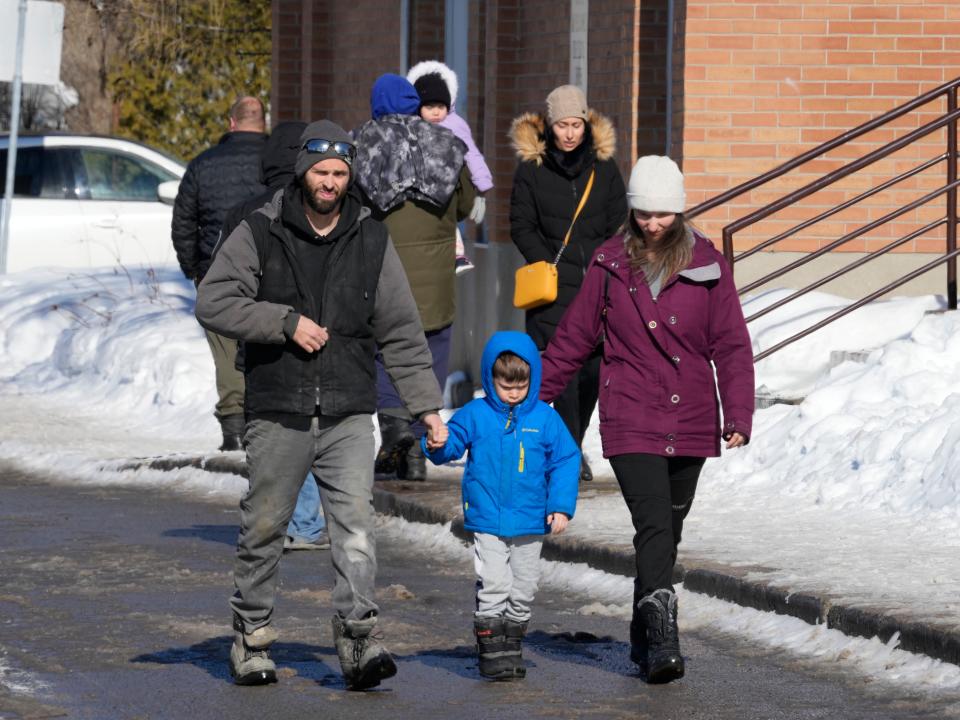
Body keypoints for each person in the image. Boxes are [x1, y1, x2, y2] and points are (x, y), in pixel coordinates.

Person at [195, 119, 448, 689]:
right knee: (264, 527)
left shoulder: (371, 236)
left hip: (347, 411)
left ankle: (358, 640)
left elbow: (402, 330)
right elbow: (214, 300)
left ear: (349, 176)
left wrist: (426, 408)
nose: (330, 182)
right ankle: (252, 639)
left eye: (339, 173)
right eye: (320, 171)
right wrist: (282, 323)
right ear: (302, 172)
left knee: (355, 529)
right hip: (278, 407)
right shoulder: (261, 228)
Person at [539, 155, 755, 684]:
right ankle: (663, 639)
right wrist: (529, 401)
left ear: (679, 211)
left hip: (693, 414)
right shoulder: (610, 263)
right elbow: (573, 337)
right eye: (643, 214)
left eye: (662, 214)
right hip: (630, 410)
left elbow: (731, 346)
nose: (652, 224)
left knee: (667, 531)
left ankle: (642, 632)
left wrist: (739, 412)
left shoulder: (708, 266)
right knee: (655, 522)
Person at [423, 331, 580, 680]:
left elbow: (566, 460)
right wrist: (438, 443)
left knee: (523, 588)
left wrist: (560, 505)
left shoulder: (544, 419)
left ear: (532, 380)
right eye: (505, 385)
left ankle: (512, 644)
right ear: (491, 379)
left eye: (520, 386)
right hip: (488, 517)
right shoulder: (476, 414)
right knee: (495, 583)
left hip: (530, 520)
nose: (513, 393)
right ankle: (492, 649)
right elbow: (451, 445)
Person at [353, 74, 476, 481]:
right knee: (432, 345)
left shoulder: (361, 145)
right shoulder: (445, 143)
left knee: (387, 349)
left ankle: (394, 432)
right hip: (436, 269)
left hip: (382, 265)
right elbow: (465, 204)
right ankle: (419, 440)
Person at [219, 120, 330, 552]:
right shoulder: (322, 208)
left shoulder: (243, 213)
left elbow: (226, 287)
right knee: (309, 431)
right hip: (318, 339)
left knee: (271, 436)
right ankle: (301, 522)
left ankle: (275, 522)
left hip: (262, 343)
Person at [509, 84, 627, 484]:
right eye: (563, 125)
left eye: (576, 124)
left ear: (586, 123)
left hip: (597, 283)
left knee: (594, 371)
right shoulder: (532, 168)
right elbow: (520, 224)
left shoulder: (604, 166)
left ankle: (569, 446)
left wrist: (605, 261)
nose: (570, 133)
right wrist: (545, 262)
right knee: (564, 373)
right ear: (550, 125)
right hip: (552, 288)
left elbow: (618, 219)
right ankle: (571, 453)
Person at [172, 96, 268, 451]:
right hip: (268, 265)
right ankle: (261, 421)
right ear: (262, 122)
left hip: (217, 270)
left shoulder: (203, 165)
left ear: (231, 123)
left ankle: (233, 425)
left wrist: (195, 269)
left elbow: (183, 221)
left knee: (227, 350)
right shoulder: (275, 163)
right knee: (265, 339)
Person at [406, 60, 492, 274]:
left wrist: (481, 186)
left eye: (440, 107)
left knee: (447, 220)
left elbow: (471, 153)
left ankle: (457, 255)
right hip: (417, 187)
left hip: (446, 186)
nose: (436, 112)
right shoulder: (410, 125)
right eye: (429, 107)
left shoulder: (455, 125)